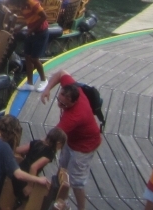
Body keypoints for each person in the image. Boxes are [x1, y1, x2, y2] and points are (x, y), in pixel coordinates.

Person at [40, 69, 102, 210]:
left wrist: (35, 146)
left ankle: (81, 208)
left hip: (84, 146)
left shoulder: (74, 116)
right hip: (71, 139)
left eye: (64, 105)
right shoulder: (72, 88)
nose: (60, 106)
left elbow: (52, 137)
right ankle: (59, 198)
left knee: (77, 182)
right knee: (62, 167)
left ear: (73, 102)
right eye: (59, 101)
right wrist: (48, 88)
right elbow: (61, 73)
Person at [10, 0, 49, 92]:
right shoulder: (23, 3)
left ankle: (44, 80)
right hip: (31, 33)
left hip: (40, 32)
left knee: (34, 58)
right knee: (27, 56)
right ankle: (29, 83)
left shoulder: (32, 1)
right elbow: (28, 18)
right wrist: (20, 27)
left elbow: (44, 16)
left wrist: (31, 29)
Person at [12, 128, 67, 201]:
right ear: (58, 143)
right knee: (27, 200)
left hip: (18, 170)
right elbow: (33, 167)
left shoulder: (37, 142)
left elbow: (18, 150)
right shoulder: (50, 153)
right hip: (26, 178)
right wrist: (30, 186)